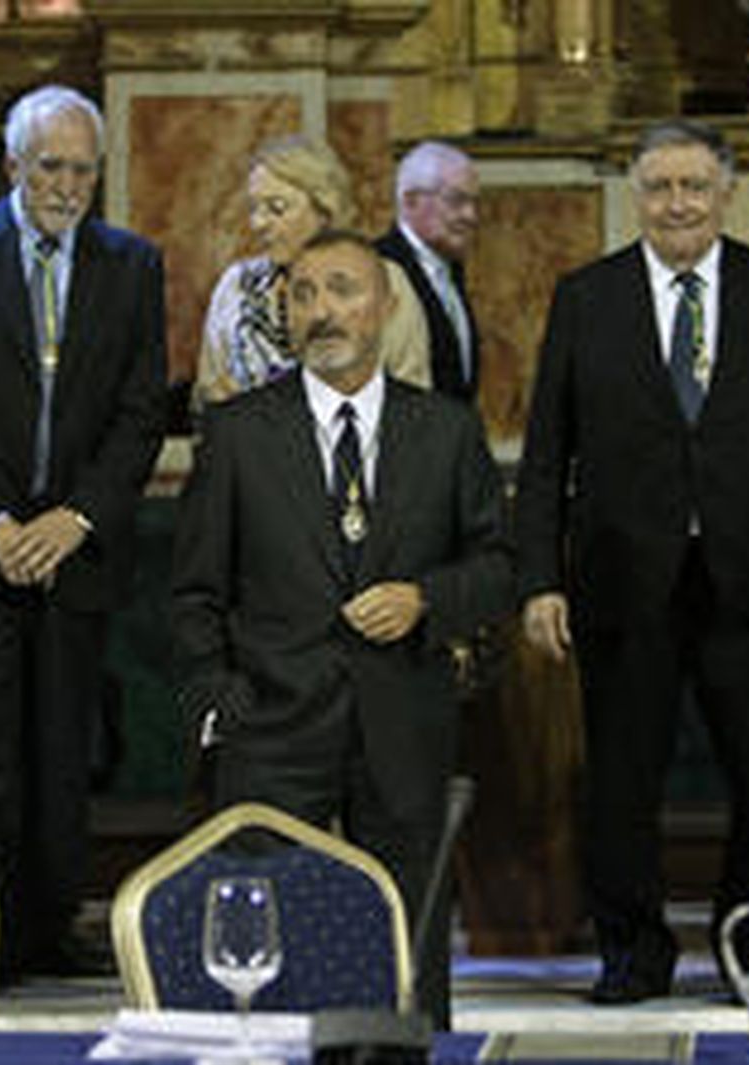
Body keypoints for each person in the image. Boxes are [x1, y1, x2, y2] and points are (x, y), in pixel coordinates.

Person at [514, 119, 749, 1004]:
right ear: (637, 194)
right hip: (625, 586)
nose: (678, 203)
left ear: (724, 194)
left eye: (694, 187)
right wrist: (538, 577)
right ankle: (633, 952)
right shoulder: (586, 297)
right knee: (622, 784)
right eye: (661, 187)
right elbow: (548, 451)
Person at [171, 229, 513, 1026]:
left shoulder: (447, 430)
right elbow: (192, 592)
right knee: (261, 948)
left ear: (386, 307)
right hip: (271, 722)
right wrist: (220, 701)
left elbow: (498, 565)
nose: (322, 310)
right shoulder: (238, 433)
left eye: (343, 290)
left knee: (411, 947)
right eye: (304, 294)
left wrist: (425, 598)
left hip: (404, 715)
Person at [0, 85, 166, 978]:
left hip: (74, 551)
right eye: (50, 166)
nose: (67, 185)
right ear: (13, 166)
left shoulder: (132, 265)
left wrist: (74, 519)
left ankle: (51, 925)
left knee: (63, 746)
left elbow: (138, 416)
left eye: (83, 169)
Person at [194, 135, 432, 409]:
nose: (258, 223)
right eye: (254, 208)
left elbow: (414, 400)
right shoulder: (235, 286)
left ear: (324, 210)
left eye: (276, 208)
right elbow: (207, 393)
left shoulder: (385, 280)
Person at [375, 142, 482, 402]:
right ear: (411, 201)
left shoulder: (450, 267)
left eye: (474, 201)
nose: (471, 215)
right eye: (457, 200)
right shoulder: (378, 268)